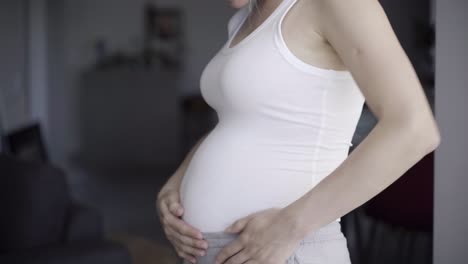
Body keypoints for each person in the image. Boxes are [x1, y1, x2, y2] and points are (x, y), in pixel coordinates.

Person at [156, 0, 440, 263]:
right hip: (215, 250)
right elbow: (238, 123)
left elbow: (414, 129)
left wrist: (290, 226)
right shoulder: (243, 19)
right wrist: (177, 181)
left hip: (283, 250)